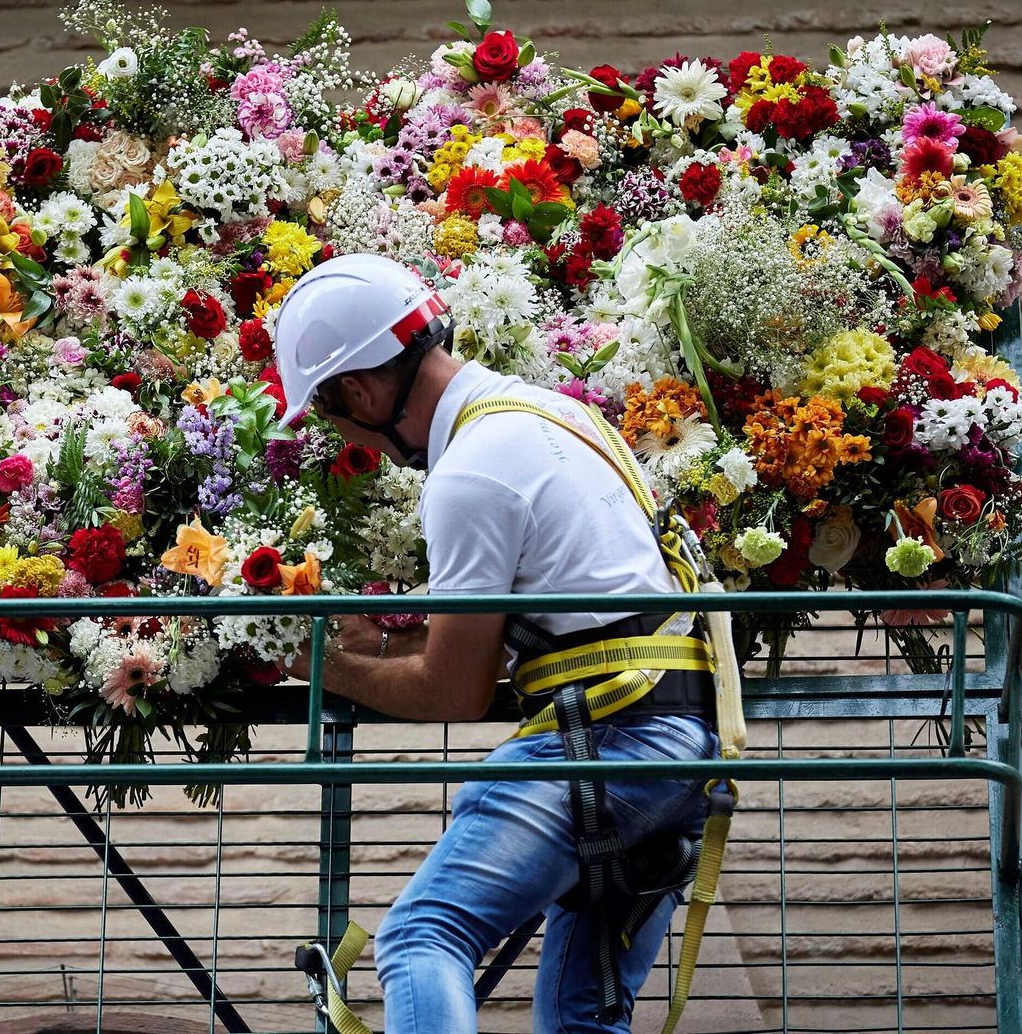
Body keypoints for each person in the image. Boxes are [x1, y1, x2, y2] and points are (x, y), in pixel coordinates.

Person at [273, 253, 722, 1034]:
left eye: (328, 411)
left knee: (422, 936)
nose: (344, 434)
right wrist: (378, 636)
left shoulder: (470, 472)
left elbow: (454, 692)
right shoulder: (554, 415)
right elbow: (578, 597)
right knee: (580, 1014)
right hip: (679, 743)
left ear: (358, 390)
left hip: (609, 743)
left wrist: (322, 663)